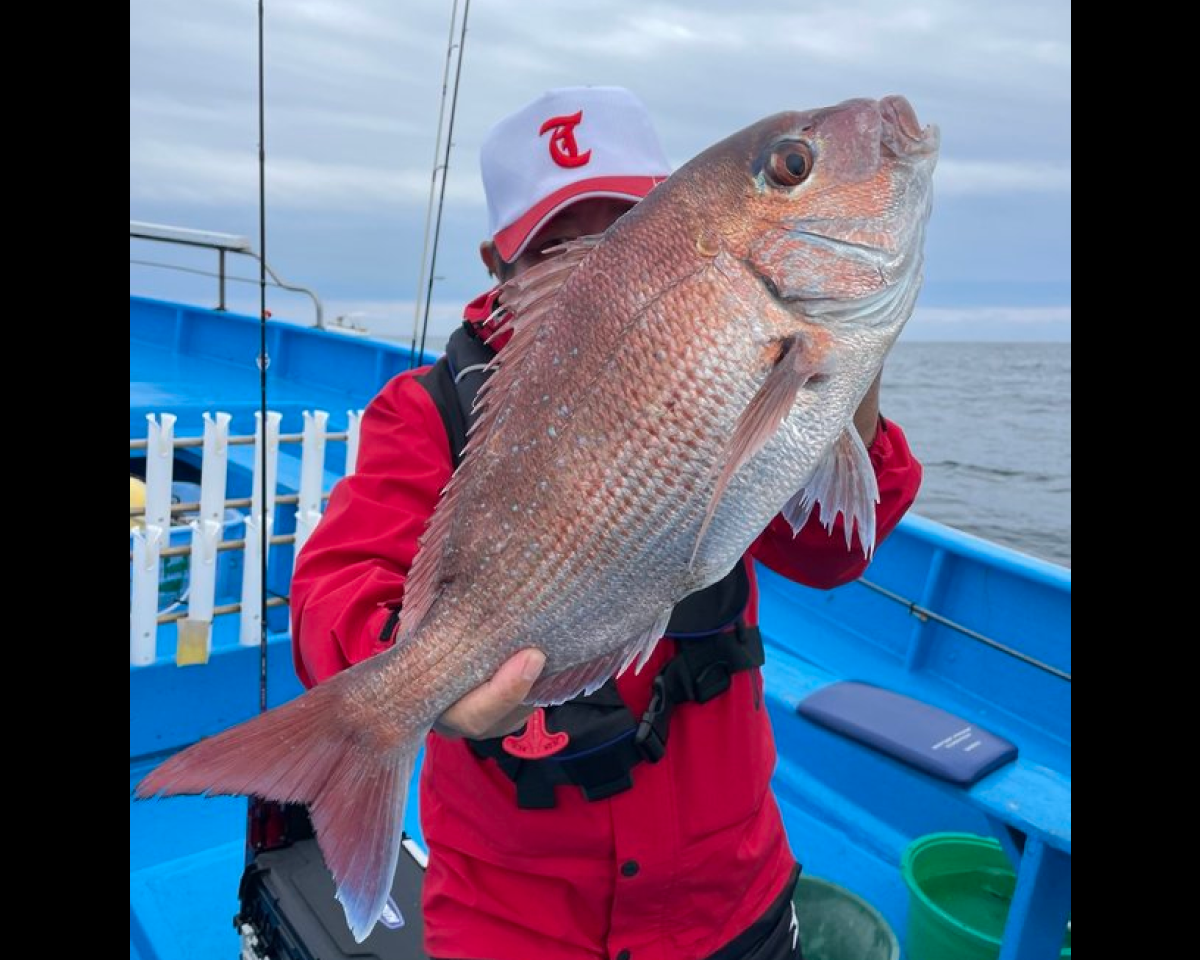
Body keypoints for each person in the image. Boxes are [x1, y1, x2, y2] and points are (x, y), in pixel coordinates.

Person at [292, 87, 922, 960]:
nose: (593, 270)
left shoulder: (738, 351)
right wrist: (408, 678)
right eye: (555, 247)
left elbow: (829, 552)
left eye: (619, 232)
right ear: (498, 261)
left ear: (675, 222)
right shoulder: (426, 412)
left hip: (729, 889)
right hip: (514, 921)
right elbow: (338, 581)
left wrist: (848, 373)